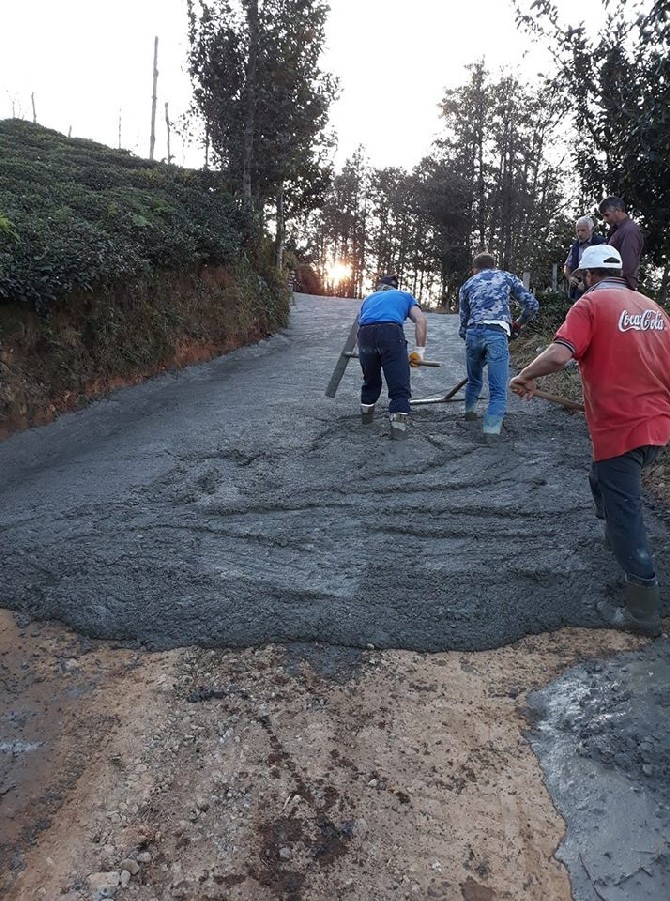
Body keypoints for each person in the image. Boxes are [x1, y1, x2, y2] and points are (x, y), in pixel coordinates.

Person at [509, 244, 670, 637]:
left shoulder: (589, 306)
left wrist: (525, 375)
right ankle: (610, 535)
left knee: (625, 508)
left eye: (580, 278)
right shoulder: (654, 309)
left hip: (620, 427)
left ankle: (641, 610)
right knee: (602, 479)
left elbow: (559, 355)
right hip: (658, 425)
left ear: (588, 276)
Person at [458, 253, 539, 442]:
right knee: (497, 390)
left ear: (474, 269)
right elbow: (532, 305)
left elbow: (463, 319)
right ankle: (491, 433)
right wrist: (518, 323)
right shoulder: (506, 277)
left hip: (473, 333)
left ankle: (469, 415)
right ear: (493, 267)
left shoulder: (468, 284)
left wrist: (469, 339)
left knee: (474, 379)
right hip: (496, 334)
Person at [357, 274, 427, 440]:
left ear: (379, 287)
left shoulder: (369, 298)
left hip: (365, 334)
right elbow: (421, 320)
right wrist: (419, 352)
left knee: (370, 380)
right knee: (399, 384)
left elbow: (359, 325)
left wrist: (362, 351)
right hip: (390, 332)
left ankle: (366, 420)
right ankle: (398, 433)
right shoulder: (405, 296)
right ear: (395, 287)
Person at [598, 196, 643, 290]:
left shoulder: (629, 231)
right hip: (615, 285)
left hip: (621, 286)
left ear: (618, 210)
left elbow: (628, 266)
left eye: (607, 215)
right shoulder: (619, 230)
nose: (605, 220)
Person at [564, 215, 607, 301]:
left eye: (583, 230)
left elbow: (605, 269)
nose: (580, 234)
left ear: (591, 230)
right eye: (578, 231)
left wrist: (588, 283)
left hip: (597, 291)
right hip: (578, 293)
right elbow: (567, 265)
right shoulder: (575, 246)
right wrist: (570, 278)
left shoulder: (601, 244)